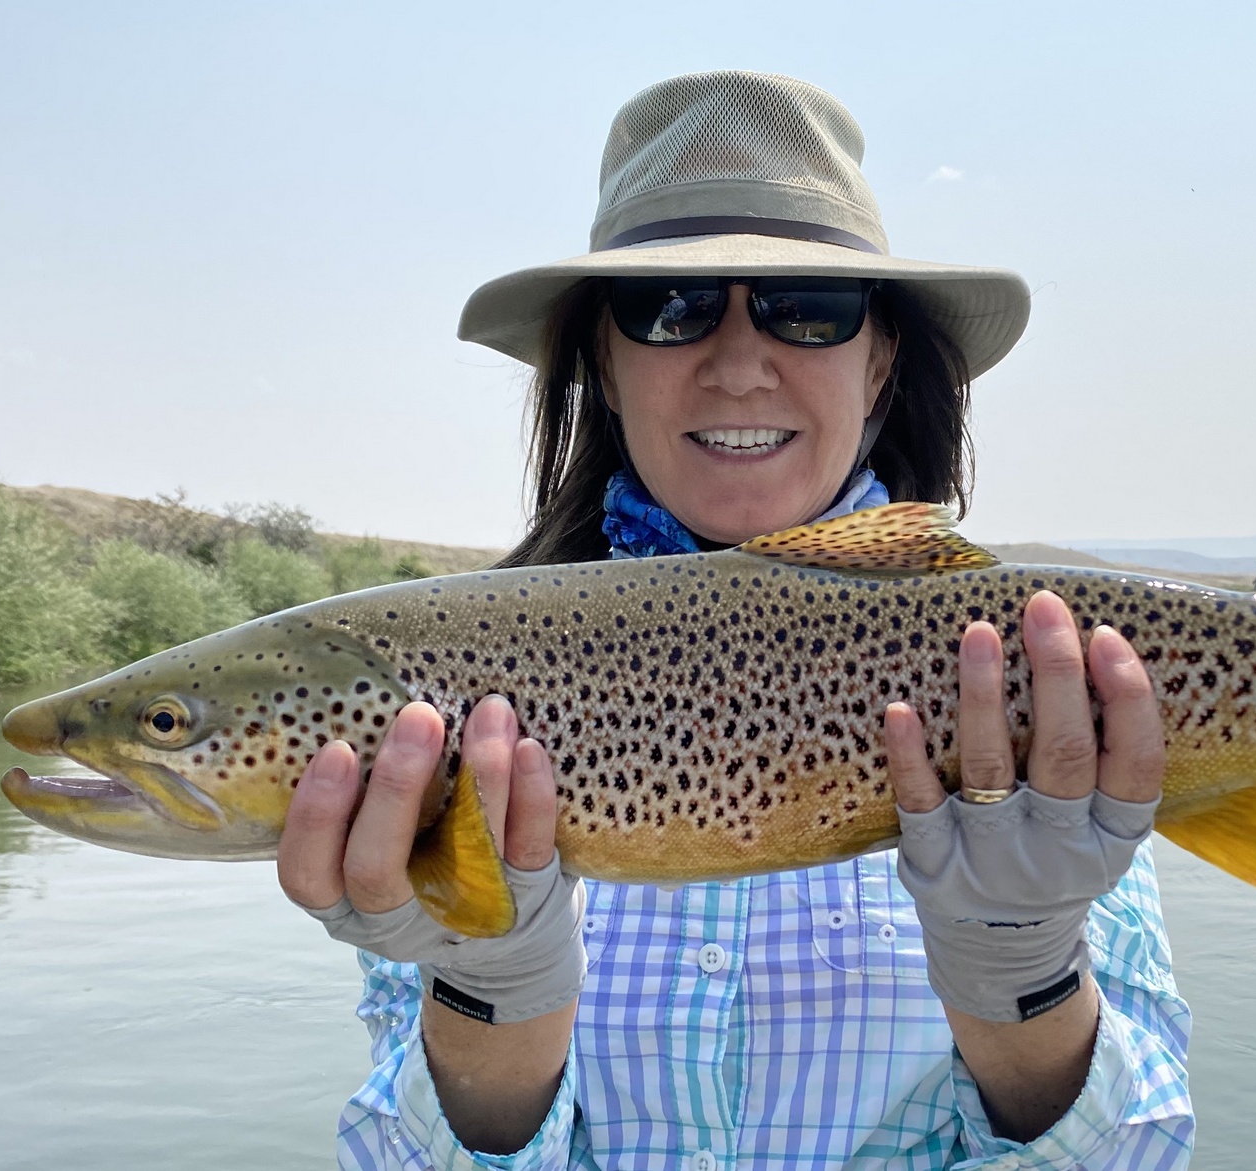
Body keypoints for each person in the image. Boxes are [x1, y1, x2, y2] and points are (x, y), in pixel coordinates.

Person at [278, 70, 1194, 1170]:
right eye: (669, 308)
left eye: (808, 308)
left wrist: (1027, 975)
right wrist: (489, 997)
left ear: (884, 355)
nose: (740, 363)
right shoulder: (461, 705)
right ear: (604, 368)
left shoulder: (1030, 686)